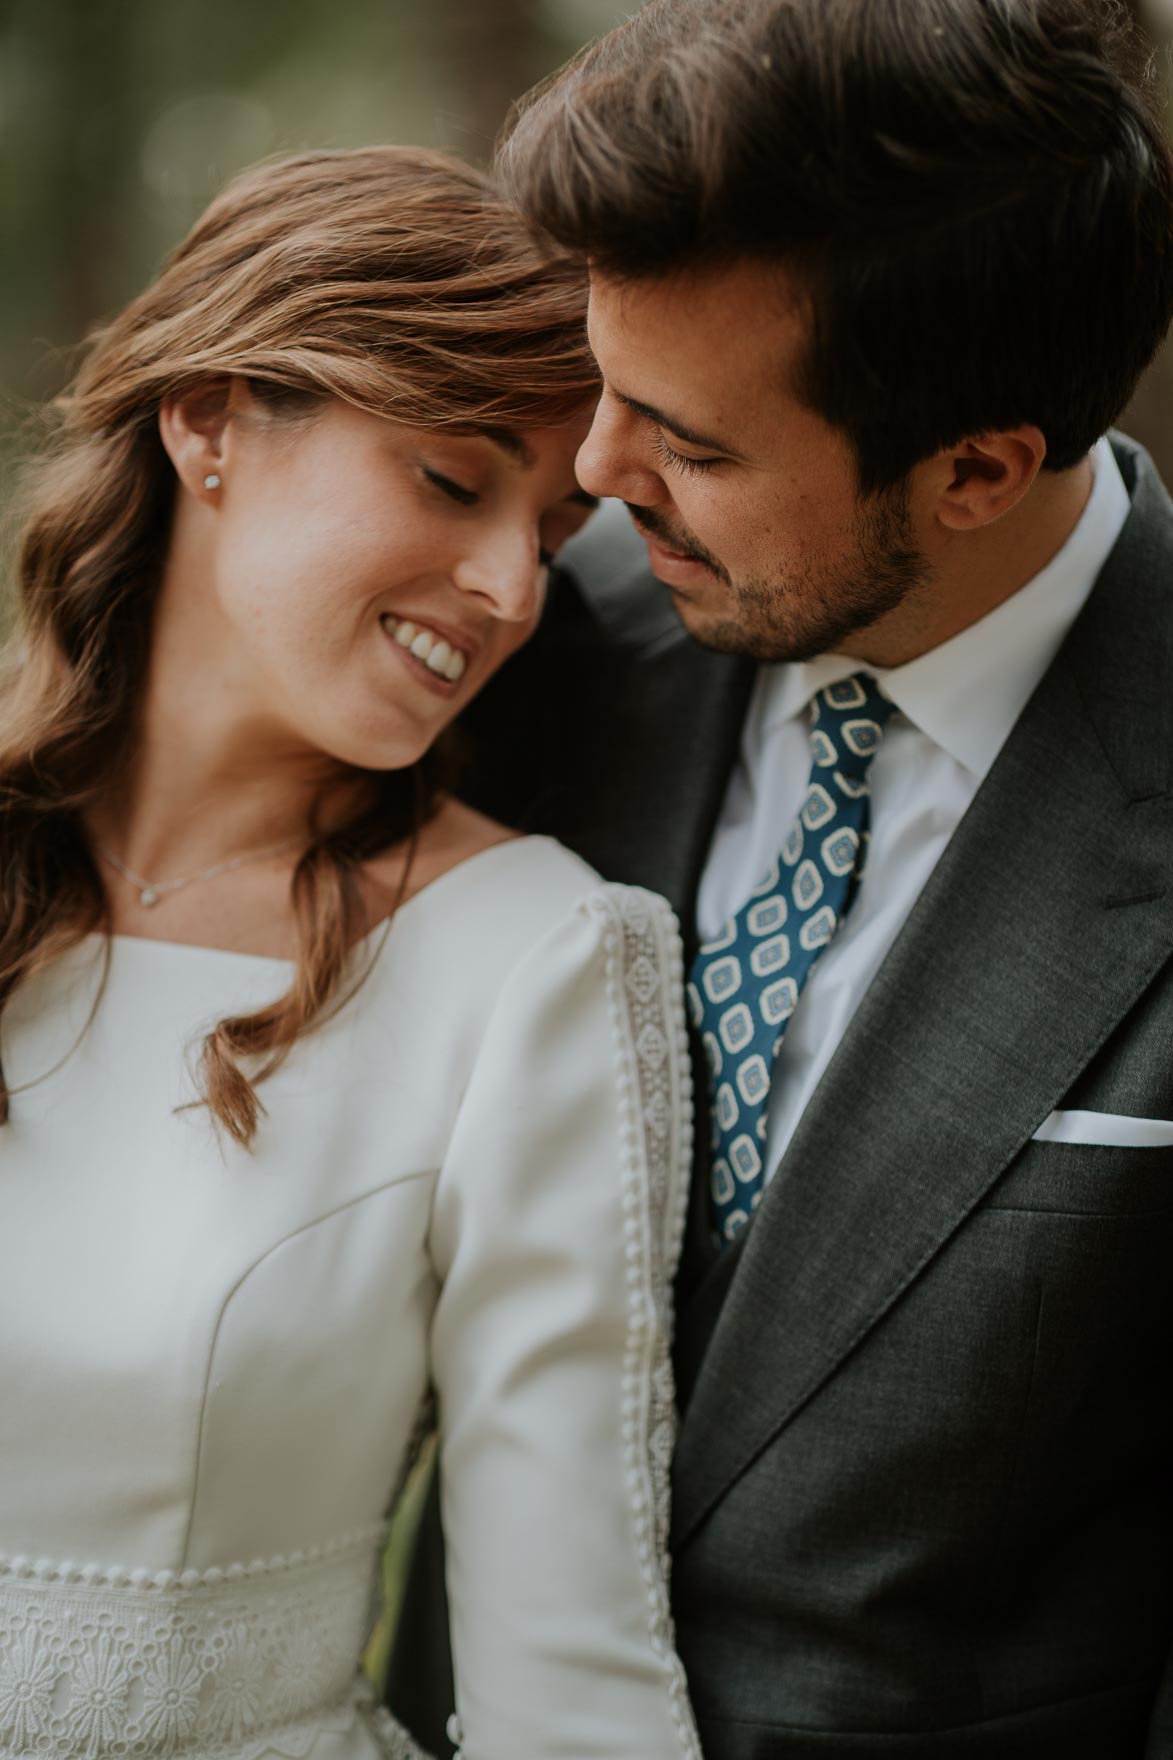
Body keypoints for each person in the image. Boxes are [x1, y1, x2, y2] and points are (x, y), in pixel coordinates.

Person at [387, 0, 1173, 1754]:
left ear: (977, 468)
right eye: (603, 386)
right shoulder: (535, 662)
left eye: (696, 445)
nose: (592, 472)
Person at [0, 146, 705, 1760]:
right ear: (209, 420)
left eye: (557, 524)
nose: (514, 588)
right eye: (455, 483)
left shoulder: (529, 961)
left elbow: (567, 1680)